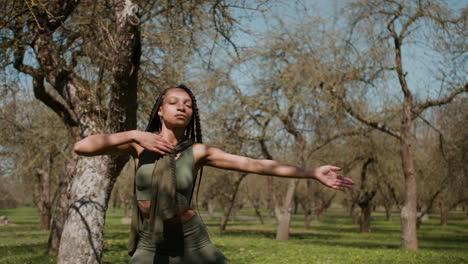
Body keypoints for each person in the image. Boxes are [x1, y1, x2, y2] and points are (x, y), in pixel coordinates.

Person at [73, 84, 354, 264]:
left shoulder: (198, 152)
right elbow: (82, 147)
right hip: (152, 240)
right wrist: (136, 134)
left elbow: (256, 164)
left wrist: (312, 172)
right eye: (174, 102)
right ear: (160, 110)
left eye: (188, 104)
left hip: (191, 239)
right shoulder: (137, 145)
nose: (182, 106)